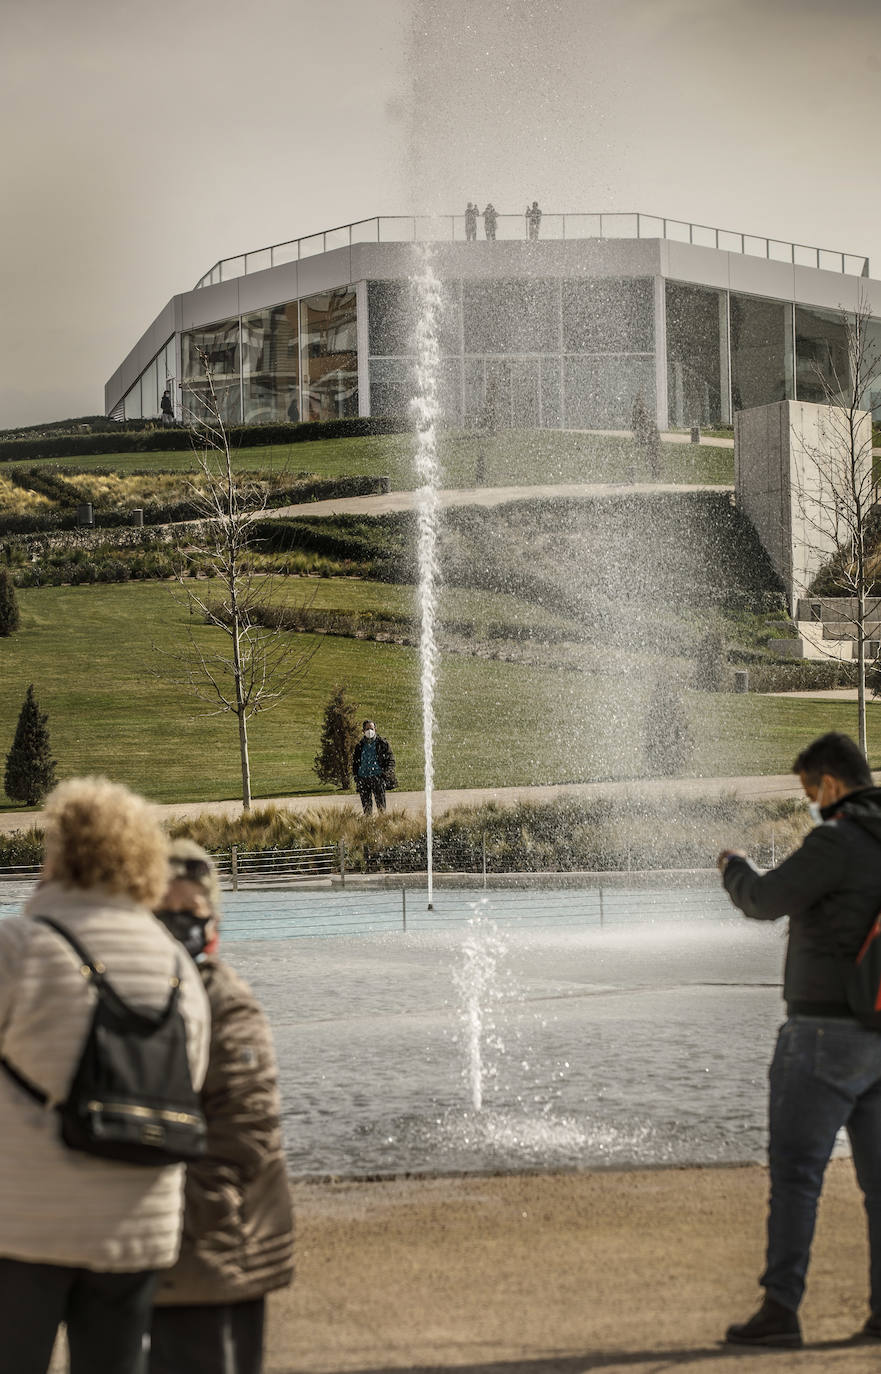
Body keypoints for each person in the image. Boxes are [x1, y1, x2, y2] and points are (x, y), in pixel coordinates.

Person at [0, 777, 210, 1374]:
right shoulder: (176, 965)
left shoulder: (17, 947)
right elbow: (187, 1077)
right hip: (137, 1220)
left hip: (23, 1220)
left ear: (61, 854)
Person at [718, 732, 881, 1349]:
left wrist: (734, 868)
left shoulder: (836, 842)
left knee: (797, 1174)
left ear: (832, 784)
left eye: (810, 789)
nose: (810, 800)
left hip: (823, 1032)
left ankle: (781, 1308)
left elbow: (764, 901)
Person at [149, 840, 294, 1374]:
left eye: (188, 912)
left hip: (219, 1242)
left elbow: (246, 1132)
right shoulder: (144, 993)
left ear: (211, 921)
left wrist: (172, 1219)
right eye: (161, 911)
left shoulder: (226, 1002)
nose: (173, 924)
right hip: (169, 1245)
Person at [352, 719, 395, 816]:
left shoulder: (382, 744)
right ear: (363, 731)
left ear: (375, 729)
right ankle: (368, 826)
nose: (369, 731)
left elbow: (391, 761)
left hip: (378, 778)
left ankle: (382, 824)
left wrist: (385, 774)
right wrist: (356, 776)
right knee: (366, 809)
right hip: (363, 779)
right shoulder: (359, 746)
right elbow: (355, 762)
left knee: (381, 808)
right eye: (367, 729)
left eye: (371, 728)